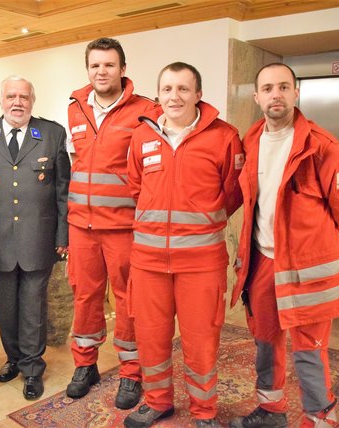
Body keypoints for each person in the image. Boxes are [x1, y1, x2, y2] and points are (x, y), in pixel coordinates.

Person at [229, 63, 339, 428]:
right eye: (268, 88)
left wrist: (316, 251)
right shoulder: (252, 139)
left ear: (296, 93)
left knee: (309, 349)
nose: (276, 94)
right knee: (264, 339)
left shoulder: (324, 149)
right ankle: (271, 411)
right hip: (262, 261)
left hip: (306, 270)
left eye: (284, 87)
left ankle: (318, 419)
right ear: (257, 96)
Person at [124, 62, 243, 428]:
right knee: (151, 337)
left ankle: (204, 412)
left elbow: (233, 193)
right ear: (158, 94)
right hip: (148, 262)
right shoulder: (142, 137)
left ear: (198, 94)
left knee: (201, 341)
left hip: (201, 263)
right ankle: (158, 401)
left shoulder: (224, 136)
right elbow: (135, 186)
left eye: (183, 89)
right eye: (167, 89)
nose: (174, 96)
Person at [66, 37, 155, 409]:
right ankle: (85, 365)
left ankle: (132, 372)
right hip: (81, 225)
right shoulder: (75, 108)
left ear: (122, 68)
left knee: (128, 299)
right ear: (88, 68)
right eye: (95, 65)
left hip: (123, 226)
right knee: (84, 297)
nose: (101, 72)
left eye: (109, 65)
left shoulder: (146, 109)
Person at [0, 76, 70, 400]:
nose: (18, 102)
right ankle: (13, 357)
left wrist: (63, 234)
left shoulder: (52, 134)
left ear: (32, 100)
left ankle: (31, 368)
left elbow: (63, 192)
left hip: (38, 239)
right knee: (6, 309)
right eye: (11, 96)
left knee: (32, 308)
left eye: (24, 97)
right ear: (1, 100)